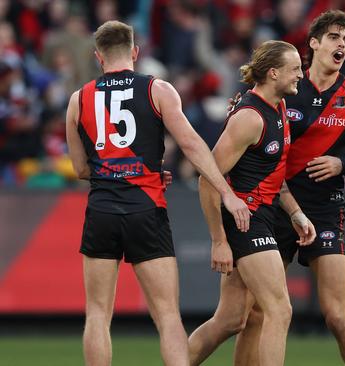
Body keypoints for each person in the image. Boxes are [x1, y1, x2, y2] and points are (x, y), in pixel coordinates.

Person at [191, 10, 345, 366]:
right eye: (333, 37)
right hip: (268, 207)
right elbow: (220, 165)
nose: (341, 44)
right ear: (314, 43)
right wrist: (222, 231)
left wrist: (343, 164)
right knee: (254, 315)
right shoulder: (280, 96)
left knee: (336, 317)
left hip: (321, 208)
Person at [65, 20, 251, 366]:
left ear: (97, 57)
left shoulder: (79, 99)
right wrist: (226, 191)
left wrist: (115, 171)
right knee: (167, 317)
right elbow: (192, 145)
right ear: (135, 52)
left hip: (102, 210)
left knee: (97, 315)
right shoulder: (158, 90)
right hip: (145, 209)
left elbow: (79, 168)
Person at [188, 40, 315, 366]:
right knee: (279, 308)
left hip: (264, 214)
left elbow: (273, 174)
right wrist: (219, 241)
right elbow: (207, 177)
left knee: (232, 320)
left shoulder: (279, 107)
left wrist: (296, 213)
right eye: (295, 69)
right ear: (273, 73)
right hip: (247, 221)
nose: (301, 75)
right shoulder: (250, 117)